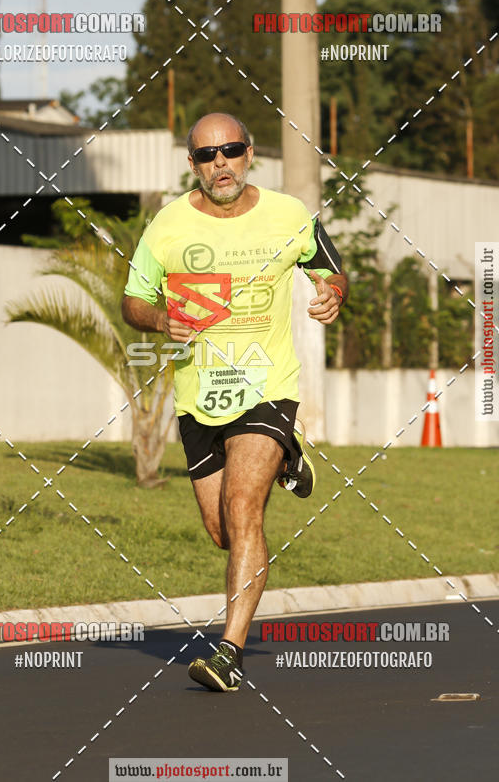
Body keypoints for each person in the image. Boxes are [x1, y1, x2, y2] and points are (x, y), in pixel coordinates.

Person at [122, 112, 348, 692]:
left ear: (249, 154)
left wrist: (332, 294)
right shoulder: (167, 225)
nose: (219, 163)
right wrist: (161, 318)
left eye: (229, 150)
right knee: (223, 530)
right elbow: (133, 302)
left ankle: (228, 652)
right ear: (191, 164)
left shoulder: (290, 215)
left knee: (244, 508)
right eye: (206, 154)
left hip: (267, 385)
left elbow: (331, 271)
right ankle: (289, 454)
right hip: (198, 395)